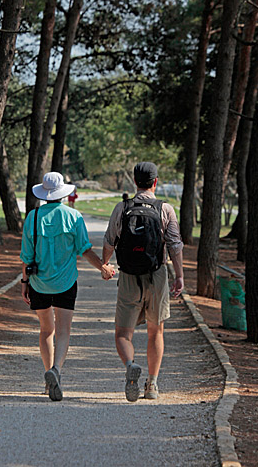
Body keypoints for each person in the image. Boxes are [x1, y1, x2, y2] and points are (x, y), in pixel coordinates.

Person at [21, 172, 115, 402]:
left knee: (46, 330)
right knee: (63, 331)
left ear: (43, 194)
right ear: (63, 193)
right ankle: (56, 370)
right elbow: (84, 249)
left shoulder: (32, 218)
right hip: (65, 284)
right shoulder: (73, 216)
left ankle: (48, 379)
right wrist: (103, 267)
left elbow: (26, 256)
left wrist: (24, 283)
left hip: (39, 284)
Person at [102, 162, 184, 402]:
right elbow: (175, 245)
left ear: (135, 182)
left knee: (122, 334)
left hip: (128, 276)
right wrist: (179, 276)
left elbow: (109, 241)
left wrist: (105, 266)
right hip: (156, 275)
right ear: (155, 182)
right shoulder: (165, 209)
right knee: (155, 330)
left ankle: (130, 364)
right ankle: (152, 385)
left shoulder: (122, 207)